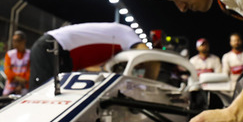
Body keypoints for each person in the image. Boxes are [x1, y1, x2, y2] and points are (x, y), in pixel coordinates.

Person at [29, 22, 157, 89]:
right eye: (140, 66)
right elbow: (151, 58)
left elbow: (97, 70)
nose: (139, 66)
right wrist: (148, 86)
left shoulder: (113, 50)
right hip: (52, 46)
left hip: (60, 50)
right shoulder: (128, 34)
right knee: (40, 97)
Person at [3, 30, 30, 95]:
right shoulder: (9, 54)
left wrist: (21, 84)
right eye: (13, 41)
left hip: (24, 88)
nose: (14, 43)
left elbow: (29, 72)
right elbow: (7, 71)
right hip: (10, 87)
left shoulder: (29, 54)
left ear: (23, 41)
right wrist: (18, 78)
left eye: (17, 41)